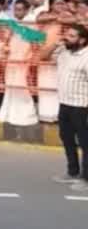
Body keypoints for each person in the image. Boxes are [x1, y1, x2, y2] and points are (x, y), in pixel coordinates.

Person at [41, 23, 88, 192]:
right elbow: (43, 56)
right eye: (67, 35)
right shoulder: (63, 52)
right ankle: (72, 172)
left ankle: (86, 178)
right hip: (65, 104)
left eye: (72, 36)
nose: (67, 38)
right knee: (67, 139)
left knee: (85, 142)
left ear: (82, 40)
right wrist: (55, 43)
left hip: (82, 106)